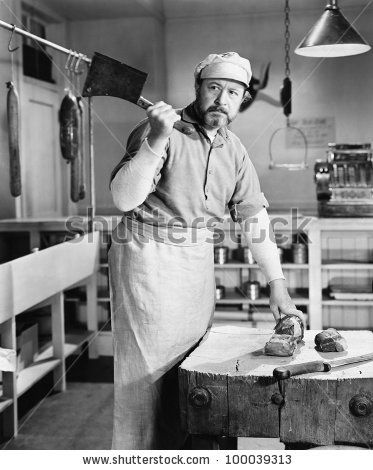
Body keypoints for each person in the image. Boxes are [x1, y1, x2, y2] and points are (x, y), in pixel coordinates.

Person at [108, 52, 304, 450]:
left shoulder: (234, 150)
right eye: (214, 87)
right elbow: (123, 198)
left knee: (191, 363)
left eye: (233, 92)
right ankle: (137, 454)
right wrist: (157, 139)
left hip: (196, 257)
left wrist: (277, 282)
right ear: (198, 88)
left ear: (243, 99)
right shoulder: (157, 128)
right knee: (145, 376)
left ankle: (189, 453)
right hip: (146, 256)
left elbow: (255, 218)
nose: (222, 99)